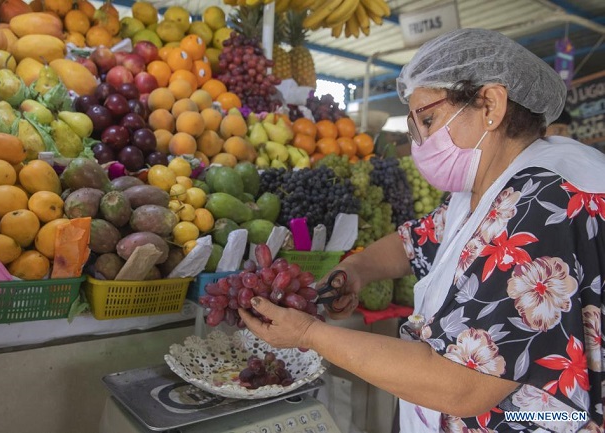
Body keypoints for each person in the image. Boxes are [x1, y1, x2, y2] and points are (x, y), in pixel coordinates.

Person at [239, 28, 605, 432]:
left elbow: (464, 386)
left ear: (490, 104)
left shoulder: (543, 201)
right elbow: (415, 241)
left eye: (428, 119)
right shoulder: (492, 184)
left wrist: (309, 334)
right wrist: (359, 270)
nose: (421, 142)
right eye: (415, 127)